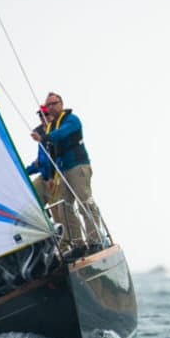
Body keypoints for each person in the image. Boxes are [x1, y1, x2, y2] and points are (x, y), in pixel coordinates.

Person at [31, 92, 105, 256]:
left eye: (54, 103)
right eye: (48, 105)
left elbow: (62, 133)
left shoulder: (71, 120)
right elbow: (47, 157)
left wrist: (44, 137)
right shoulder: (52, 126)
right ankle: (77, 244)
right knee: (65, 206)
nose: (50, 107)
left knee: (84, 202)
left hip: (78, 167)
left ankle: (95, 241)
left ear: (61, 104)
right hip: (62, 171)